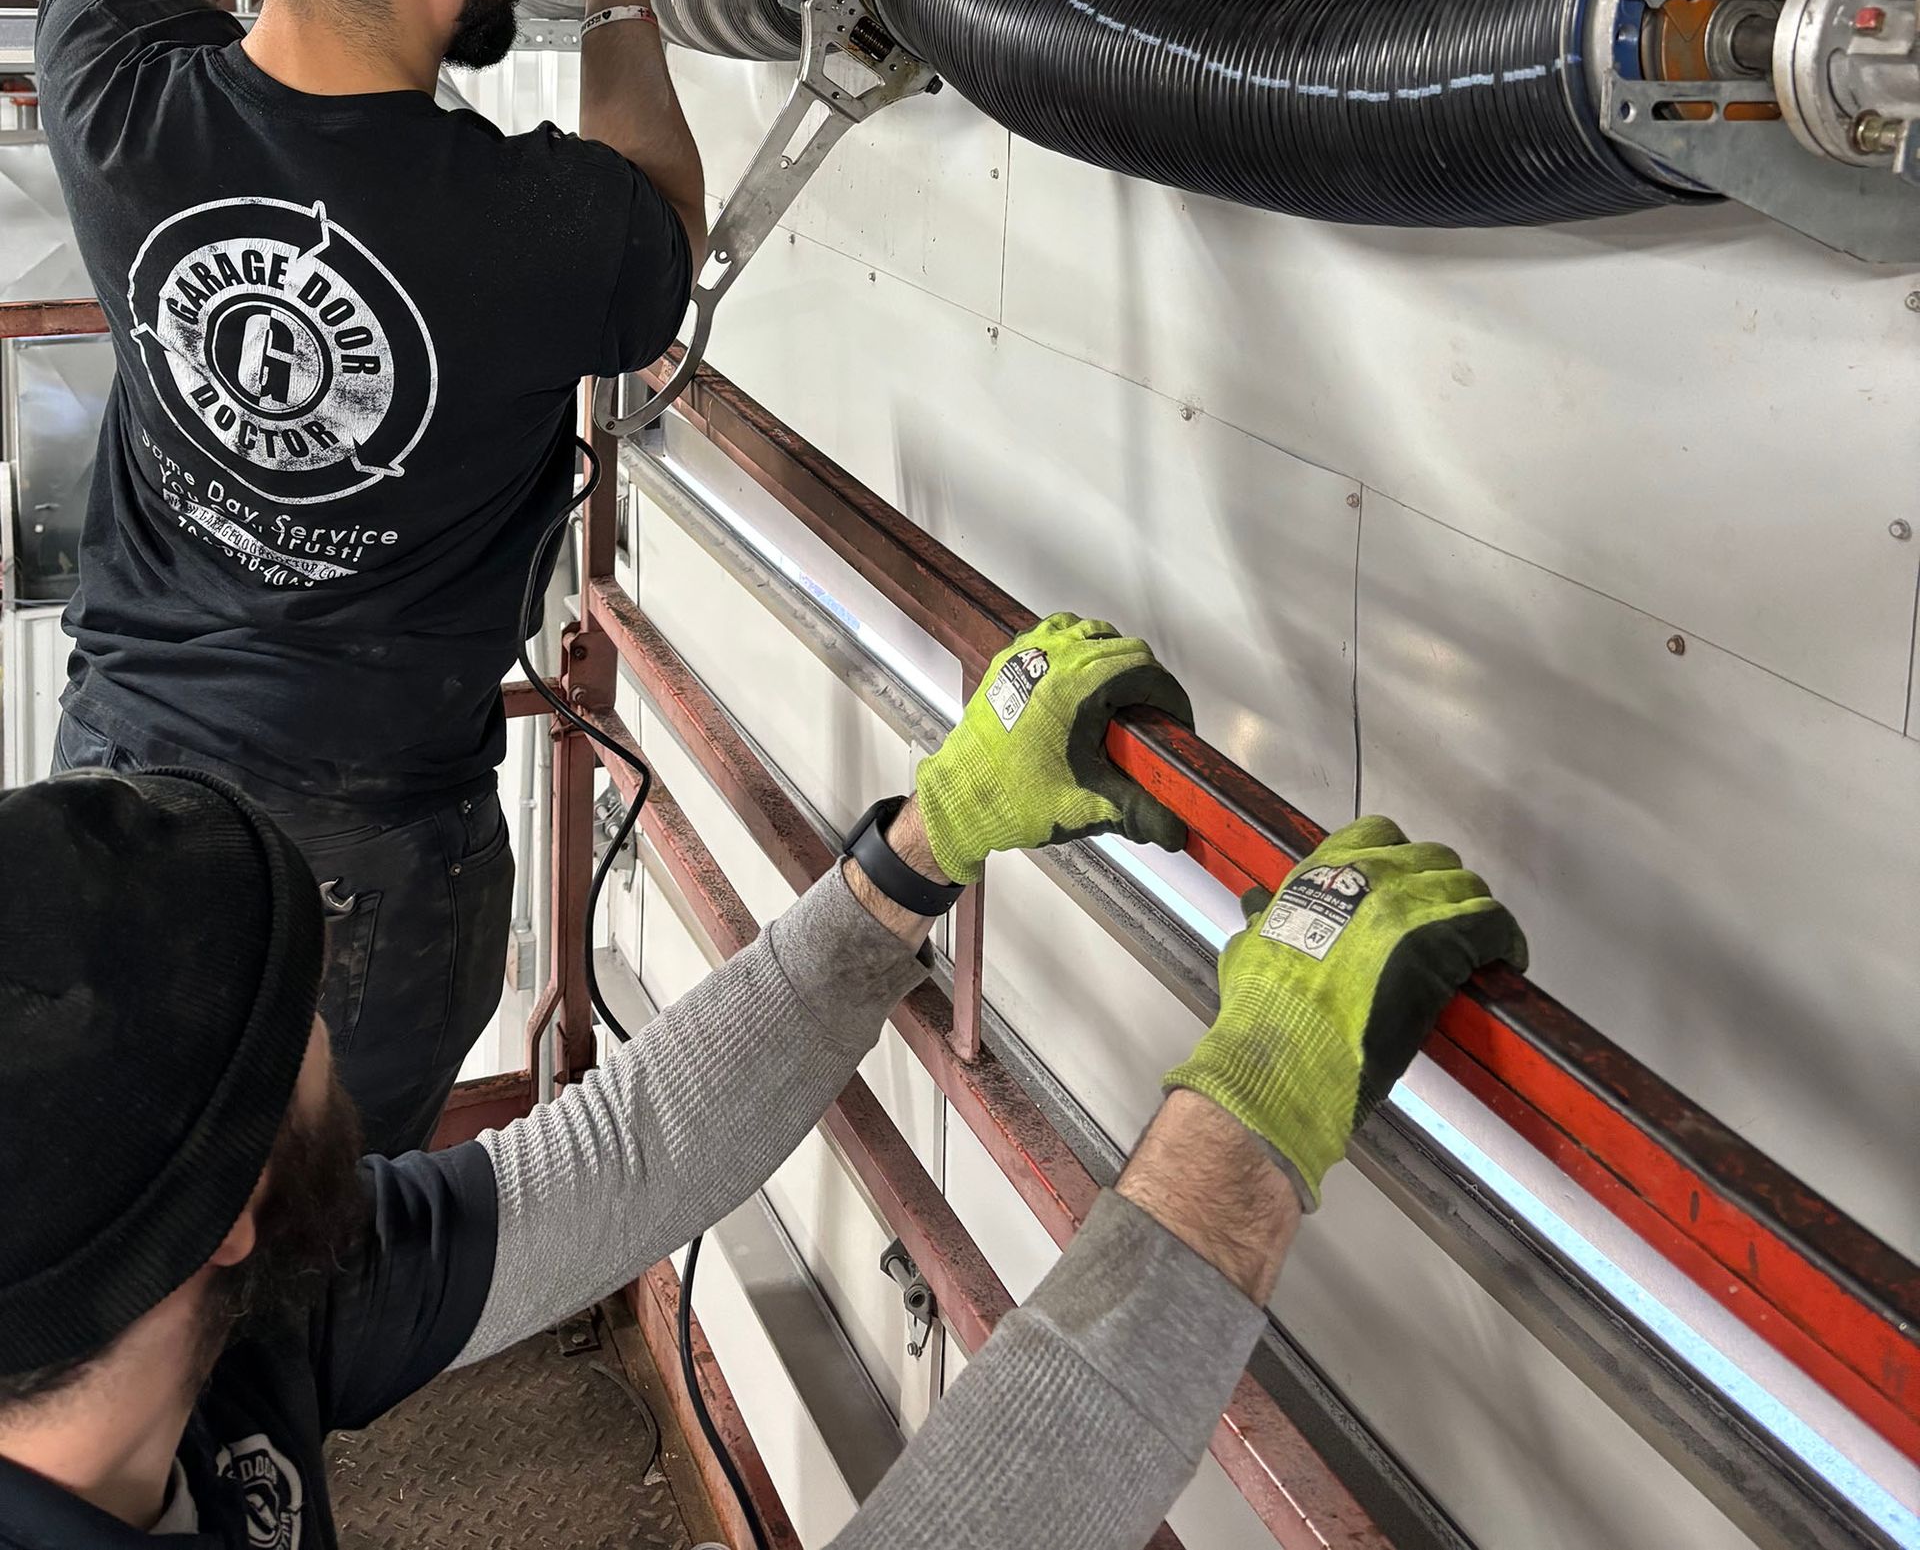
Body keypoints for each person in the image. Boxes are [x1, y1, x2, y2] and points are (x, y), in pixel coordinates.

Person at [0, 614, 1524, 1550]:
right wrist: (1254, 1111)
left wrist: (921, 846)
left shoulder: (158, 1303)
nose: (336, 1007)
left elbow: (614, 1161)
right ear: (221, 1216)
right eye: (297, 1022)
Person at [35, 0, 709, 1155]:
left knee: (129, 1205)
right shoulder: (538, 231)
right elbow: (661, 219)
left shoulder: (115, 96)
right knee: (312, 1259)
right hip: (373, 865)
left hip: (118, 776)